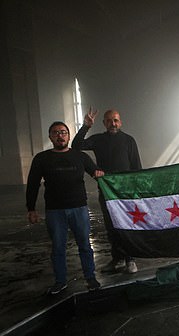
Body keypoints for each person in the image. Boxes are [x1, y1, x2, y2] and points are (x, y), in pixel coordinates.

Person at [26, 121, 104, 294]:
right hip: (55, 211)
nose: (60, 135)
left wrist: (99, 173)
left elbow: (96, 172)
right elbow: (32, 184)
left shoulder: (80, 156)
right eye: (55, 133)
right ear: (50, 137)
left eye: (63, 132)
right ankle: (60, 281)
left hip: (79, 209)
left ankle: (90, 278)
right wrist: (31, 209)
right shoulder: (41, 158)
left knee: (84, 245)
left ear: (68, 135)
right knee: (58, 248)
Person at [72, 108, 142, 274]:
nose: (113, 123)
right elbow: (76, 146)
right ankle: (117, 259)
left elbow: (136, 166)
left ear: (121, 122)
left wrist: (137, 191)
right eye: (109, 120)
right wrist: (85, 126)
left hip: (125, 192)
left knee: (127, 225)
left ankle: (130, 259)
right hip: (106, 190)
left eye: (116, 120)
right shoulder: (98, 140)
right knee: (111, 225)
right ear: (104, 123)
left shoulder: (128, 140)